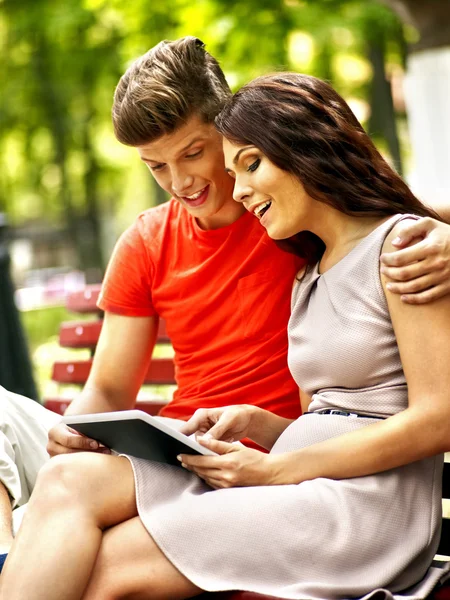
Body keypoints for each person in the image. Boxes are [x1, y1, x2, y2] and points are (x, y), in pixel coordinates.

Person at [2, 72, 450, 600]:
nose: (234, 189)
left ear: (301, 149)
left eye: (199, 154)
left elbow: (440, 416)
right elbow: (324, 419)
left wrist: (277, 467)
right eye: (155, 166)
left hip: (354, 505)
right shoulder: (307, 270)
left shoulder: (406, 250)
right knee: (64, 482)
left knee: (103, 570)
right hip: (254, 466)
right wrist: (258, 425)